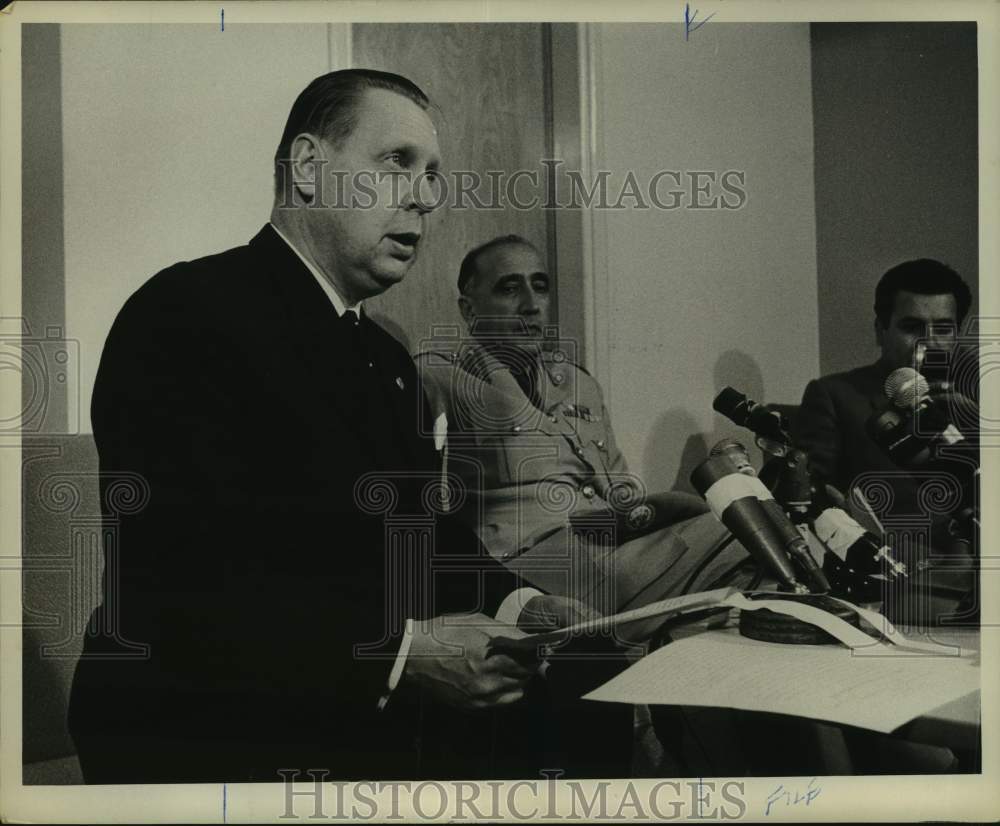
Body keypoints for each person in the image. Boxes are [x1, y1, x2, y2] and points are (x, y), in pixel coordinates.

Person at [67, 70, 590, 784]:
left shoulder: (385, 356)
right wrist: (404, 656)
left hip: (344, 712)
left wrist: (521, 602)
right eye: (397, 163)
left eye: (432, 175)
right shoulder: (186, 313)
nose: (425, 196)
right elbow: (187, 583)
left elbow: (424, 537)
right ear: (309, 169)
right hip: (205, 733)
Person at [414, 235, 753, 617]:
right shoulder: (437, 377)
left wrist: (656, 513)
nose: (531, 305)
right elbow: (425, 506)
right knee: (739, 538)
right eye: (509, 288)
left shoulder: (576, 382)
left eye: (540, 287)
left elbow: (618, 483)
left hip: (608, 546)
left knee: (748, 526)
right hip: (527, 564)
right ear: (468, 309)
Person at [792, 259, 978, 567]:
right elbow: (810, 497)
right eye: (911, 327)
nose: (929, 343)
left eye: (943, 329)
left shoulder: (977, 402)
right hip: (891, 570)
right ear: (881, 330)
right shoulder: (836, 395)